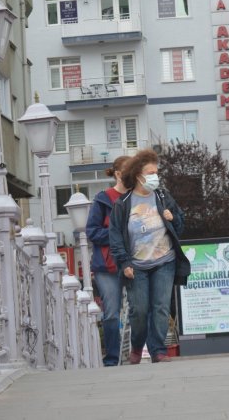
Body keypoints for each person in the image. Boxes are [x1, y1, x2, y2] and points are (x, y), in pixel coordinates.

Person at [109, 149, 190, 364]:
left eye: (157, 172)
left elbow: (180, 226)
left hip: (165, 261)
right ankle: (137, 345)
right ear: (138, 175)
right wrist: (124, 262)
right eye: (150, 172)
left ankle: (158, 350)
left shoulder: (163, 197)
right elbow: (115, 236)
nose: (155, 176)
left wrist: (172, 219)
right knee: (140, 310)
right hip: (137, 265)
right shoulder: (123, 203)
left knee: (161, 306)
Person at [85, 156, 130, 366]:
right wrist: (116, 234)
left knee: (140, 309)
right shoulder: (103, 199)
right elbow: (92, 232)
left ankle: (140, 352)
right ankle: (112, 360)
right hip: (107, 267)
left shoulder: (138, 197)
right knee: (111, 312)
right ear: (119, 174)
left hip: (134, 263)